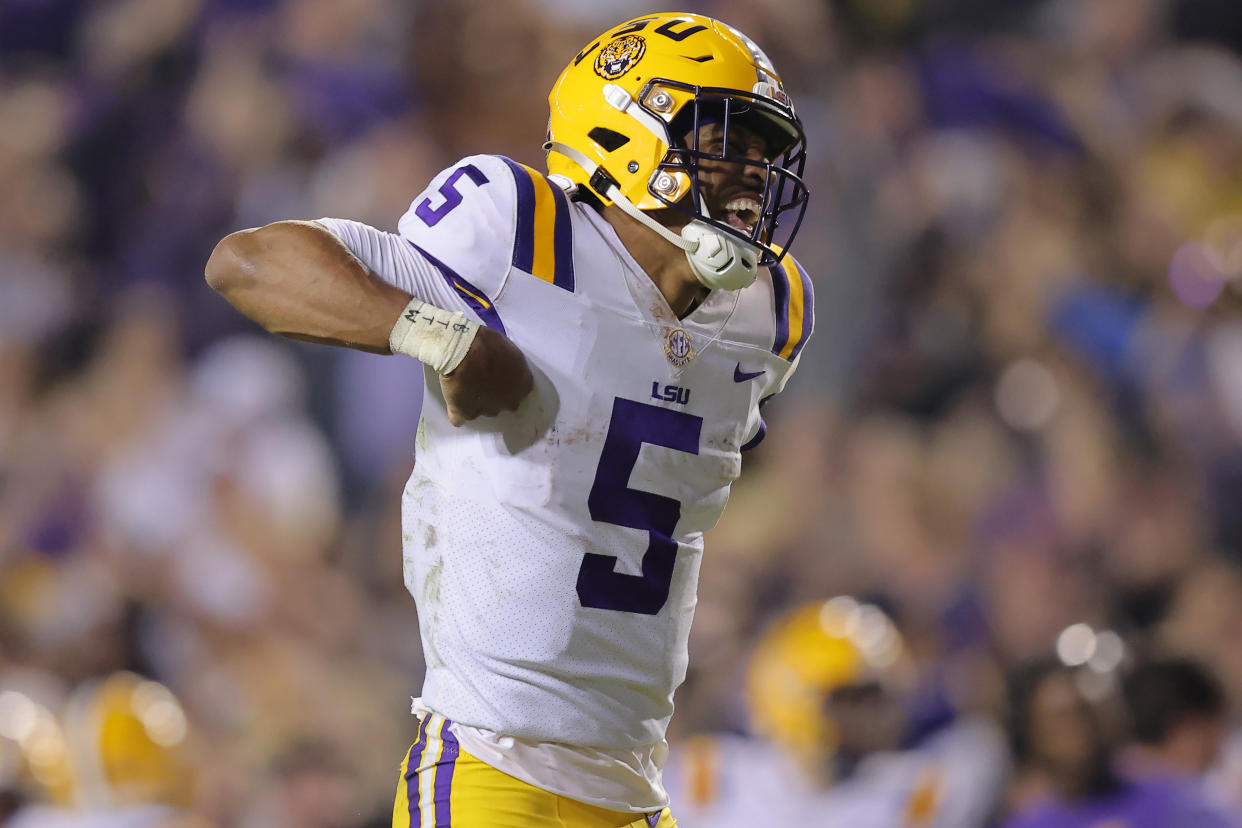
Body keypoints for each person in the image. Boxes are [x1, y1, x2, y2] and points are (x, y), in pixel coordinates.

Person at [205, 12, 813, 828]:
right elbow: (249, 262)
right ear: (626, 128)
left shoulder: (771, 312)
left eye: (766, 154)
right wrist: (444, 337)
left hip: (635, 785)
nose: (753, 174)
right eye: (727, 139)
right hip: (494, 766)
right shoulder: (522, 228)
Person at [1001, 660, 1240, 828]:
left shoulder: (1176, 801)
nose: (1079, 732)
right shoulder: (1026, 824)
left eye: (1086, 713)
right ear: (1031, 735)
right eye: (1061, 720)